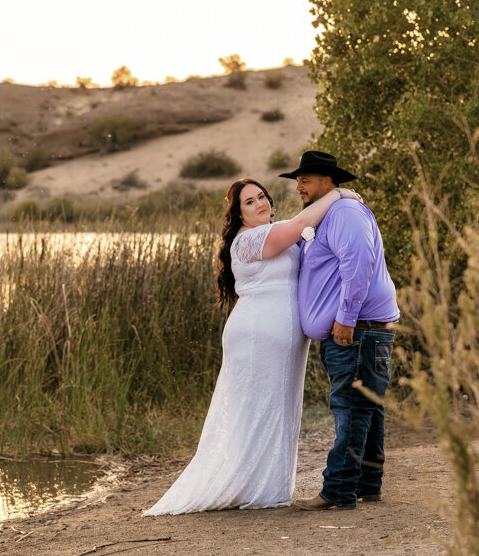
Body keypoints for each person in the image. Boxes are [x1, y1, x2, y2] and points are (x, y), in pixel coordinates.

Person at [143, 177, 361, 515]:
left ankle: (266, 485)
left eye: (262, 197)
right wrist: (340, 194)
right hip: (258, 334)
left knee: (278, 407)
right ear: (238, 214)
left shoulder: (279, 237)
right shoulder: (248, 240)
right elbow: (303, 221)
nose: (260, 204)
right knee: (255, 409)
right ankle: (245, 485)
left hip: (282, 338)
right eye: (249, 202)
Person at [278, 151, 400, 511]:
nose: (299, 186)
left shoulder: (344, 213)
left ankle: (338, 490)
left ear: (327, 183)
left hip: (357, 329)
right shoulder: (330, 212)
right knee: (366, 407)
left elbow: (358, 263)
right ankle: (366, 484)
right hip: (357, 329)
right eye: (298, 180)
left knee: (351, 406)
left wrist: (345, 318)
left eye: (306, 179)